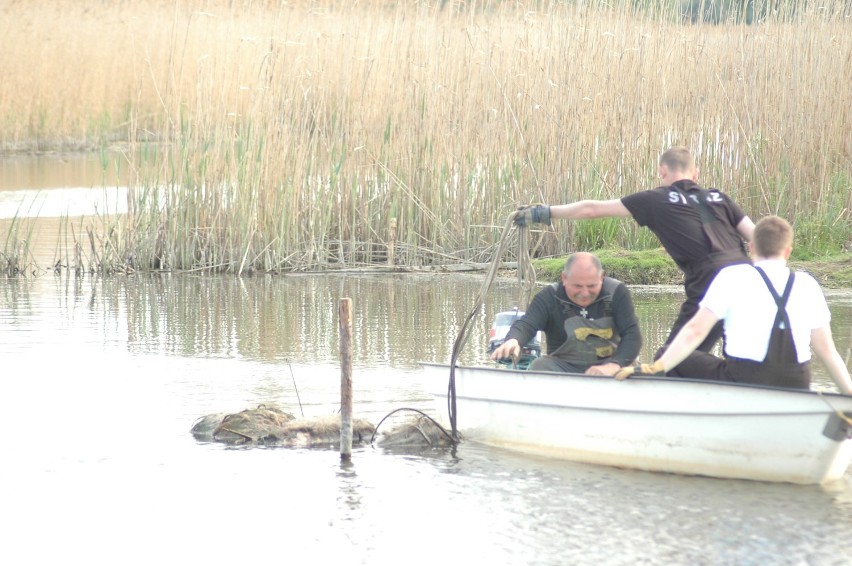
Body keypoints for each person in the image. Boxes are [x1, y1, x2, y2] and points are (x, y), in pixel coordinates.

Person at [516, 146, 755, 357]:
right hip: (748, 277)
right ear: (695, 174)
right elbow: (757, 237)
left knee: (672, 362)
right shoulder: (719, 197)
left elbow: (591, 210)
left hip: (709, 280)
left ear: (662, 171)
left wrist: (544, 213)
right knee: (741, 355)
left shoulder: (655, 199)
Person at [614, 216, 852, 394]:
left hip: (745, 378)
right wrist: (849, 395)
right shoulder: (807, 284)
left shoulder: (734, 276)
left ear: (751, 247)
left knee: (669, 354)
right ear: (788, 250)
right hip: (797, 381)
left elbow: (695, 331)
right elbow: (827, 351)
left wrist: (656, 367)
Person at [490, 252, 641, 376]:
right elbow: (526, 324)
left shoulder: (617, 292)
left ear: (601, 278)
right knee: (540, 365)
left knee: (636, 370)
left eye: (591, 286)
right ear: (564, 278)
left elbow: (633, 335)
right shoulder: (548, 297)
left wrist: (614, 365)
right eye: (577, 286)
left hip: (612, 367)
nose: (584, 293)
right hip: (564, 369)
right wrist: (514, 340)